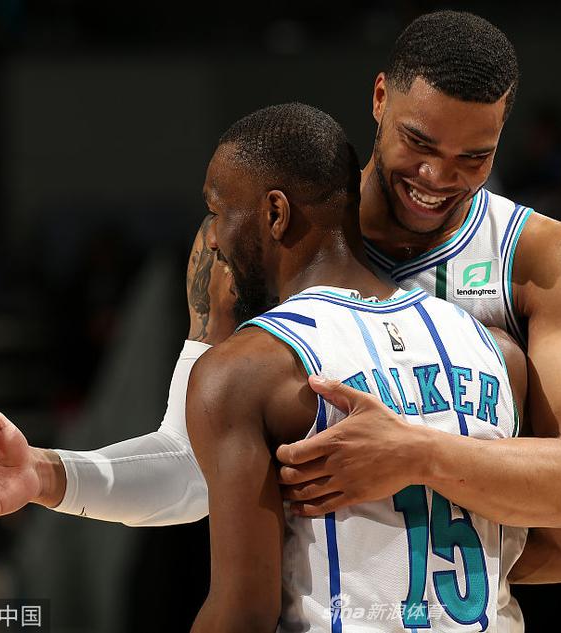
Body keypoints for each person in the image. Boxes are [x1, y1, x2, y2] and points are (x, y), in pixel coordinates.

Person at [0, 10, 561, 627]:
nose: (438, 176)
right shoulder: (248, 248)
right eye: (419, 142)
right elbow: (190, 466)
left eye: (475, 157)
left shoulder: (546, 260)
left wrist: (411, 474)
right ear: (380, 98)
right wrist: (49, 472)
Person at [189, 101, 529, 631]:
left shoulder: (246, 370)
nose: (213, 237)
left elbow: (244, 612)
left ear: (275, 213)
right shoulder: (497, 352)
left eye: (218, 210)